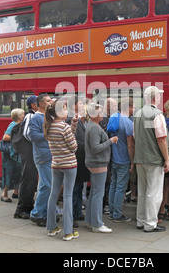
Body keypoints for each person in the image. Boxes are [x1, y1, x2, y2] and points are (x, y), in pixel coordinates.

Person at [133, 86, 169, 233]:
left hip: (140, 159)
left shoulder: (137, 114)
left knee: (142, 191)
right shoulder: (157, 114)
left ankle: (140, 220)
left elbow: (135, 137)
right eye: (160, 96)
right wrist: (167, 159)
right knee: (154, 193)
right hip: (154, 159)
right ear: (155, 98)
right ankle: (150, 223)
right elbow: (161, 139)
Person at [45, 100, 80, 241]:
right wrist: (72, 131)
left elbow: (66, 136)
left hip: (56, 164)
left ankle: (51, 227)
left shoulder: (49, 126)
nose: (67, 111)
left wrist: (74, 125)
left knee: (53, 195)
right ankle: (68, 231)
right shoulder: (63, 127)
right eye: (65, 109)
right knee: (67, 196)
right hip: (70, 165)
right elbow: (73, 147)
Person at [85, 102, 118, 233]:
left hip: (95, 163)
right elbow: (95, 148)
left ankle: (90, 221)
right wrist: (110, 141)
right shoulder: (94, 128)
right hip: (98, 163)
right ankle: (97, 224)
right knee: (98, 194)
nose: (102, 114)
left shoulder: (92, 126)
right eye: (100, 112)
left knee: (94, 192)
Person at [108, 97, 134, 223]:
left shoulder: (113, 118)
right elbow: (130, 145)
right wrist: (132, 160)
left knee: (113, 185)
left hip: (114, 158)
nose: (133, 109)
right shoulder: (128, 122)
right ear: (128, 107)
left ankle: (111, 211)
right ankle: (117, 214)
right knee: (120, 188)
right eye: (133, 107)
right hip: (124, 159)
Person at [29, 93, 53, 227]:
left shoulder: (47, 116)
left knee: (46, 185)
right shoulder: (36, 118)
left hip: (49, 155)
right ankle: (37, 213)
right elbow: (32, 135)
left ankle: (42, 212)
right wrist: (48, 134)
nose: (51, 102)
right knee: (47, 186)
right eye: (49, 101)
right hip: (43, 157)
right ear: (41, 104)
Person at [12, 95, 38, 219]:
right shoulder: (31, 116)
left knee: (31, 180)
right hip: (28, 152)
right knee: (28, 179)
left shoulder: (32, 115)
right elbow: (27, 134)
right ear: (33, 105)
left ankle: (27, 206)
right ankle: (22, 209)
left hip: (29, 152)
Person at [66, 96, 89, 225]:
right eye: (80, 103)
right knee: (74, 188)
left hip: (80, 158)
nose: (82, 106)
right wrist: (88, 146)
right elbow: (72, 140)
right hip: (76, 157)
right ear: (73, 105)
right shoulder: (71, 119)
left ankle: (78, 211)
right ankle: (72, 215)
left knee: (79, 186)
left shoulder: (78, 119)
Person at [1, 108, 24, 202]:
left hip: (16, 153)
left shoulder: (20, 124)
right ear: (18, 116)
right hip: (9, 154)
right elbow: (5, 137)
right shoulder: (13, 124)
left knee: (18, 171)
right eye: (23, 114)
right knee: (9, 172)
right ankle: (4, 194)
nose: (24, 115)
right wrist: (17, 139)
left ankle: (16, 192)